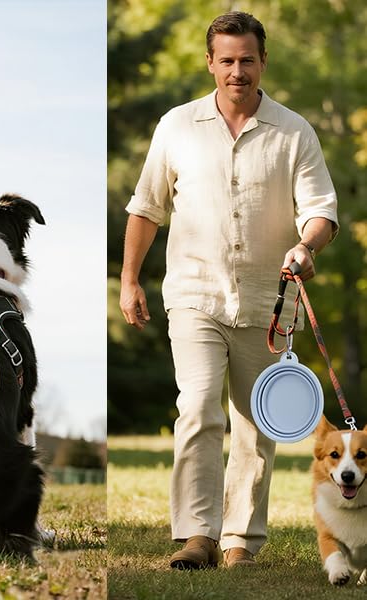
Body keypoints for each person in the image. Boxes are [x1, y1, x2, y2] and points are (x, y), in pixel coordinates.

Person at [119, 11, 338, 569]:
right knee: (196, 407)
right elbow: (146, 208)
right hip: (194, 293)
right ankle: (197, 535)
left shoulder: (295, 132)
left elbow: (320, 212)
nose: (236, 71)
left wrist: (306, 246)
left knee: (253, 422)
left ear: (263, 61)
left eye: (247, 60)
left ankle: (239, 539)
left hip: (270, 298)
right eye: (226, 61)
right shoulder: (176, 126)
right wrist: (128, 280)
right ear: (210, 63)